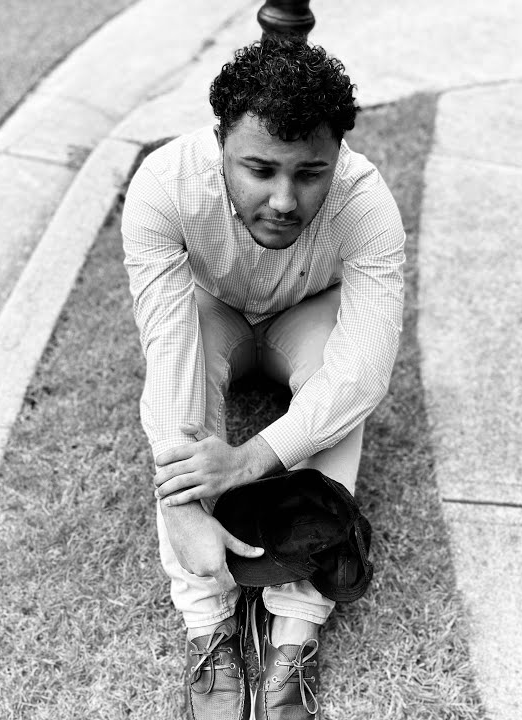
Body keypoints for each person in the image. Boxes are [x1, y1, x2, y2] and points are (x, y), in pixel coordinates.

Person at [121, 33, 405, 720]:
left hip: (306, 315)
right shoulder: (163, 187)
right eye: (259, 169)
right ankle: (208, 624)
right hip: (213, 312)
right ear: (220, 141)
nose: (284, 199)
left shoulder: (366, 202)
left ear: (338, 153)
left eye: (310, 173)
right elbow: (169, 356)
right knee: (184, 358)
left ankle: (295, 631)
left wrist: (249, 460)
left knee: (338, 388)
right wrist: (183, 507)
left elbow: (362, 376)